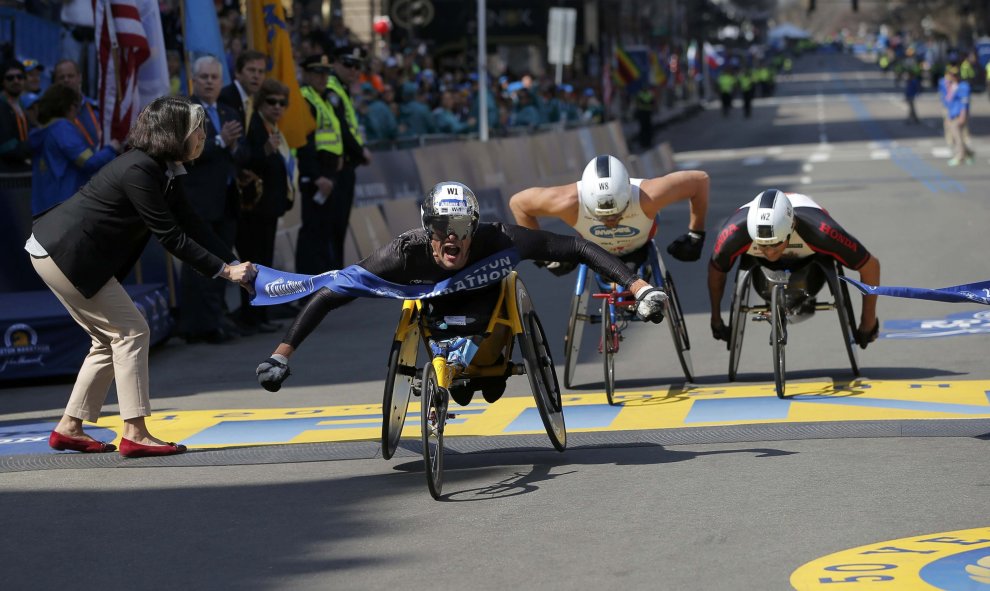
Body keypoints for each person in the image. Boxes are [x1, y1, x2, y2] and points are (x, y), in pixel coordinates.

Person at [254, 181, 670, 401]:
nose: (451, 238)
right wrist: (281, 355)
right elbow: (331, 293)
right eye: (440, 229)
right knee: (466, 386)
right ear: (426, 228)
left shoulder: (501, 238)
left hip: (488, 311)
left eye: (461, 230)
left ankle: (488, 365)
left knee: (489, 387)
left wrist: (639, 287)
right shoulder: (402, 254)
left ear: (475, 228)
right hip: (433, 312)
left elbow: (575, 246)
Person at [25, 96, 257, 457]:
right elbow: (170, 236)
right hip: (66, 254)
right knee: (133, 331)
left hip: (60, 252)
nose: (203, 136)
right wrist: (225, 271)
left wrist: (234, 262)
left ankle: (69, 428)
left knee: (108, 341)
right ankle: (135, 432)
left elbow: (192, 222)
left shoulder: (164, 168)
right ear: (175, 133)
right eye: (199, 129)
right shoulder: (140, 170)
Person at [707, 189, 880, 348]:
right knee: (723, 261)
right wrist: (716, 319)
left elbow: (870, 266)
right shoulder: (733, 234)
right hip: (758, 260)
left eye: (775, 244)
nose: (769, 252)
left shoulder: (822, 231)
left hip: (810, 260)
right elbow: (717, 271)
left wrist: (868, 321)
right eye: (762, 245)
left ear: (791, 229)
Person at [508, 155, 710, 278]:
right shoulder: (566, 202)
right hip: (593, 250)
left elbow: (700, 181)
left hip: (639, 248)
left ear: (628, 197)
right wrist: (545, 257)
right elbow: (519, 204)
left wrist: (696, 233)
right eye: (602, 217)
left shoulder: (648, 196)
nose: (611, 222)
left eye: (617, 214)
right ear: (586, 203)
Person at [180, 56, 246, 343]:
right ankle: (198, 325)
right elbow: (185, 151)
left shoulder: (228, 110)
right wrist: (220, 141)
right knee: (199, 265)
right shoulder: (186, 111)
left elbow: (239, 153)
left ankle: (218, 317)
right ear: (194, 80)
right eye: (204, 77)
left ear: (221, 82)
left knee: (224, 262)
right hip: (199, 201)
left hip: (227, 199)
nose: (209, 82)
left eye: (214, 77)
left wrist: (233, 147)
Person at [236, 79, 298, 332]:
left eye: (282, 103)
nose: (277, 107)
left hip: (270, 207)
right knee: (252, 262)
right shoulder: (254, 126)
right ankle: (251, 316)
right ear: (261, 103)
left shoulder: (273, 128)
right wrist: (264, 149)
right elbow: (246, 160)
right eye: (271, 102)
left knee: (263, 261)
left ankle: (260, 315)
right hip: (254, 208)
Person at [28, 84, 119, 215]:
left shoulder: (42, 131)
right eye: (77, 106)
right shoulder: (62, 129)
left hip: (43, 207)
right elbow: (89, 162)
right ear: (70, 107)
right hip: (64, 206)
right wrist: (112, 148)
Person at [325, 44, 372, 269]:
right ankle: (334, 276)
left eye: (357, 66)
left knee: (339, 223)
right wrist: (360, 151)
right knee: (333, 224)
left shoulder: (342, 88)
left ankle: (338, 274)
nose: (353, 70)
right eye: (348, 64)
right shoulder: (332, 88)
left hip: (346, 164)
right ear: (335, 63)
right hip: (337, 165)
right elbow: (342, 129)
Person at [295, 53, 341, 275]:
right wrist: (315, 176)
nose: (323, 78)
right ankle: (306, 284)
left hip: (329, 170)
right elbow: (306, 142)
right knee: (312, 230)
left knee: (324, 229)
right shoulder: (306, 98)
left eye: (326, 73)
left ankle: (321, 282)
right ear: (306, 74)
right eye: (317, 73)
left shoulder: (323, 98)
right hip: (316, 173)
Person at [52, 59, 101, 150]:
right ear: (55, 81)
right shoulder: (51, 112)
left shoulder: (96, 108)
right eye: (61, 77)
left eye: (70, 76)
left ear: (80, 77)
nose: (66, 80)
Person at [0, 59, 31, 172]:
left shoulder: (21, 104)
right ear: (2, 81)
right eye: (10, 78)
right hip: (6, 175)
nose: (16, 80)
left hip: (22, 170)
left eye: (19, 77)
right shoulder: (2, 106)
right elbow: (6, 146)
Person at [941, 67, 974, 166]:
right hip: (952, 113)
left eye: (954, 75)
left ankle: (960, 156)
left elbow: (964, 102)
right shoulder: (951, 85)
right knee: (955, 136)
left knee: (957, 136)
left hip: (959, 114)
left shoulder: (963, 86)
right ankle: (968, 153)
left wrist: (963, 116)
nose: (952, 77)